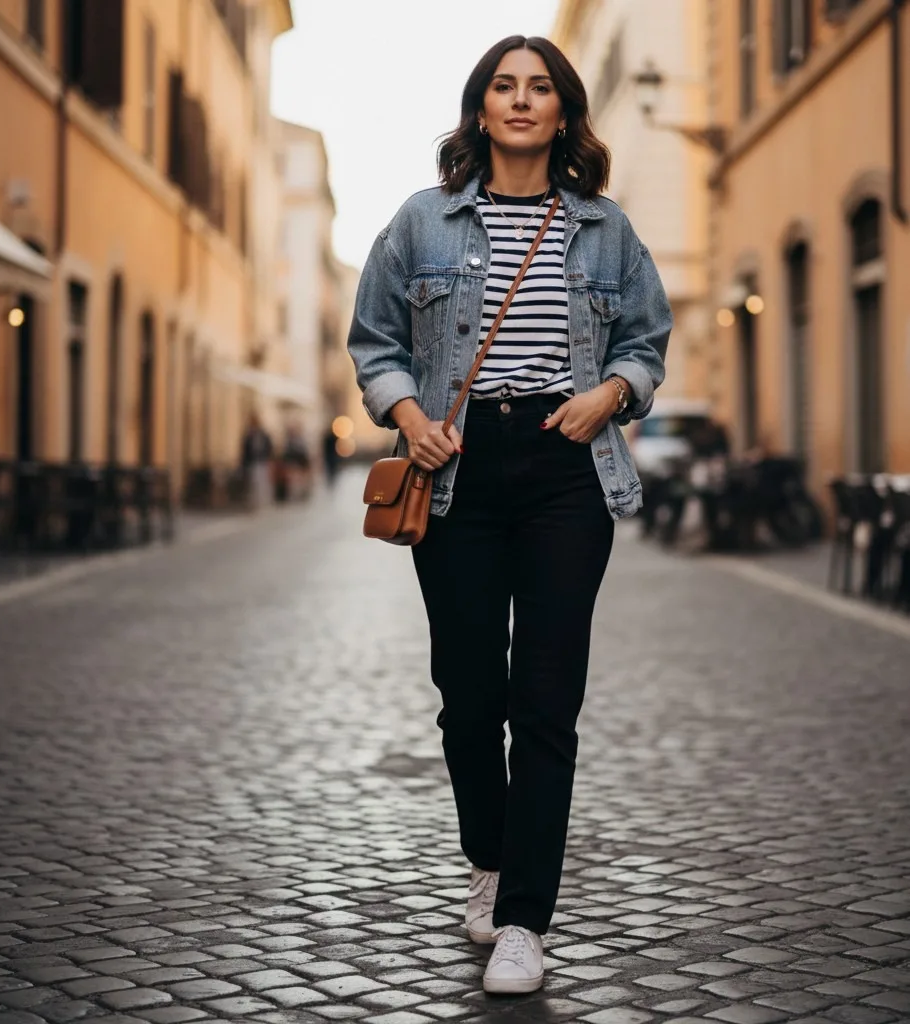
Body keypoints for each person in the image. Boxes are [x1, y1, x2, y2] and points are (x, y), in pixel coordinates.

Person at [347, 35, 671, 996]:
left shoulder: (606, 229)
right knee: (468, 694)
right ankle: (488, 859)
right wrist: (412, 420)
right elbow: (374, 341)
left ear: (563, 112)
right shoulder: (423, 221)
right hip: (457, 469)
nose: (521, 100)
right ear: (481, 108)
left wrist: (610, 393)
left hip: (568, 465)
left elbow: (647, 340)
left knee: (546, 698)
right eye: (504, 86)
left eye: (539, 88)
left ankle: (526, 917)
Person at [240, 413, 273, 510]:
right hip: (252, 462)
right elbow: (245, 450)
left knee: (261, 482)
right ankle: (254, 503)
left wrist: (268, 458)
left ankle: (262, 502)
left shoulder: (263, 435)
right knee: (253, 483)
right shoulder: (248, 435)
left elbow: (269, 447)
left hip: (262, 461)